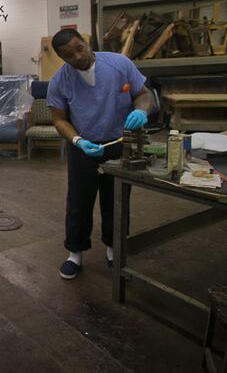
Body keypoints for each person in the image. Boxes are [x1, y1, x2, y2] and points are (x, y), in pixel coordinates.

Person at [47, 28, 154, 280]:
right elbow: (59, 119)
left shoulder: (119, 64)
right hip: (84, 148)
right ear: (62, 58)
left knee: (116, 199)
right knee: (79, 202)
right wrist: (77, 140)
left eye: (79, 48)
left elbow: (143, 95)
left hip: (119, 144)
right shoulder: (59, 81)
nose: (77, 56)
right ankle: (75, 253)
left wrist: (142, 111)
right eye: (68, 55)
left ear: (86, 42)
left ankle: (113, 246)